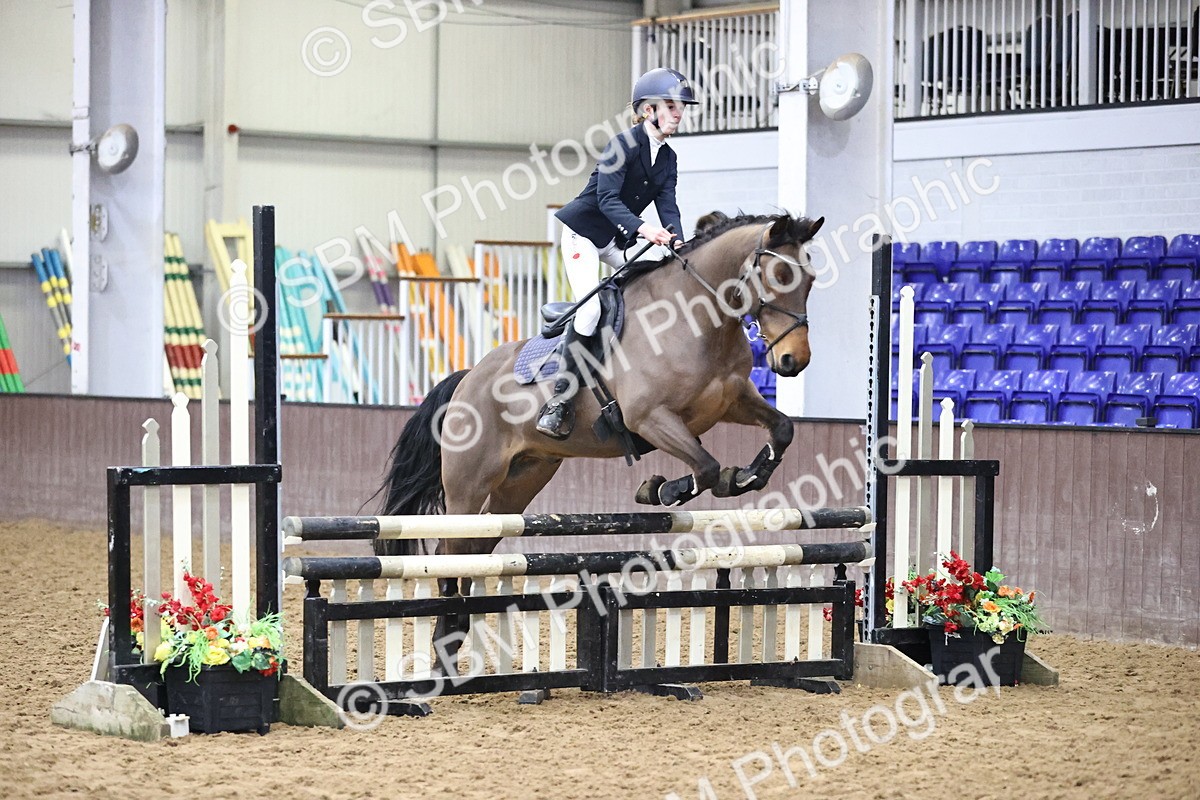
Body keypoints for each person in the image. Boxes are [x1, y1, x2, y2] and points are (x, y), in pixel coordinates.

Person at [536, 67, 699, 440]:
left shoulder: (668, 158)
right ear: (648, 110)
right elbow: (607, 199)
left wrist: (678, 242)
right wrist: (645, 230)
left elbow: (667, 205)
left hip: (615, 241)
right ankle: (559, 400)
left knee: (660, 277)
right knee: (590, 310)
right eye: (671, 106)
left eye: (681, 107)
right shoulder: (621, 145)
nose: (678, 113)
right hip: (583, 236)